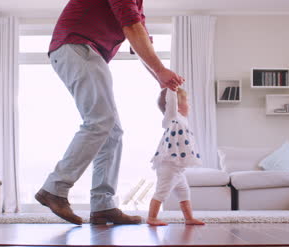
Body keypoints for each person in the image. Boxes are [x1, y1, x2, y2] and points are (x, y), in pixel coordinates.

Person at [35, 0, 185, 225]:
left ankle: (103, 206)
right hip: (77, 46)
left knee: (112, 131)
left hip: (83, 51)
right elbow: (132, 29)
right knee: (100, 121)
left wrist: (161, 81)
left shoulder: (138, 5)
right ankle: (54, 188)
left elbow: (139, 41)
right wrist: (161, 71)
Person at [147, 88, 205, 226]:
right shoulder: (172, 117)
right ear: (177, 107)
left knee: (184, 192)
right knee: (162, 192)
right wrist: (172, 89)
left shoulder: (183, 120)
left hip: (177, 168)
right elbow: (171, 103)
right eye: (187, 101)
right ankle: (151, 218)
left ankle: (189, 218)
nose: (189, 105)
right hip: (168, 165)